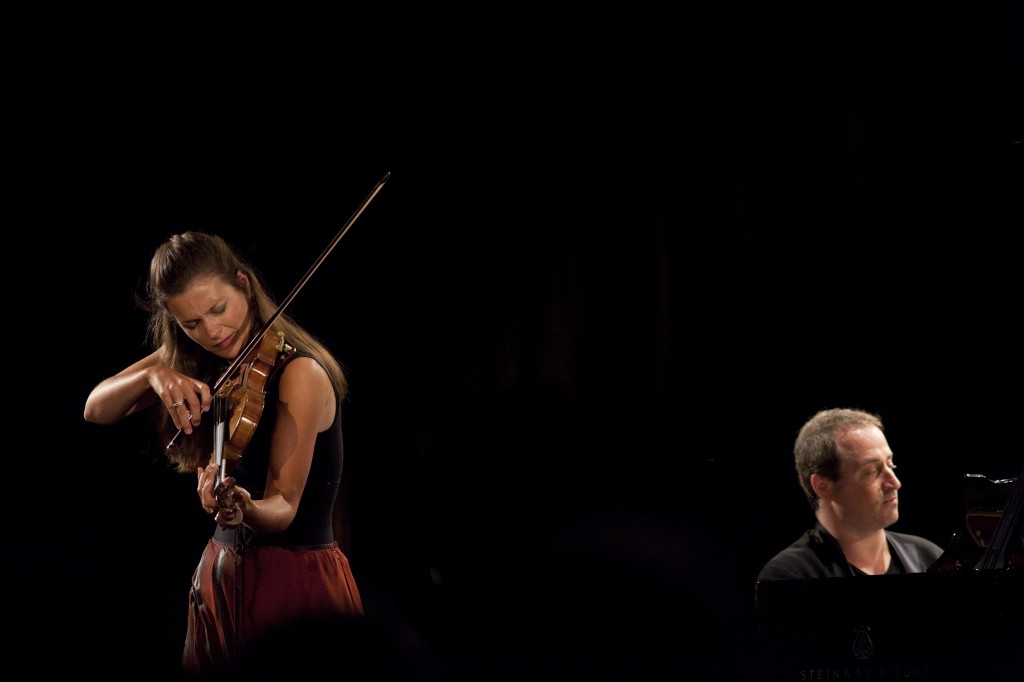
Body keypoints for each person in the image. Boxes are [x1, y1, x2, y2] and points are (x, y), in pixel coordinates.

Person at [83, 231, 364, 678]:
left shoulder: (300, 373)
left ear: (244, 284)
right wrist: (154, 373)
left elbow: (285, 507)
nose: (212, 332)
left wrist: (245, 508)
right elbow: (95, 408)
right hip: (220, 577)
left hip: (293, 582)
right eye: (191, 324)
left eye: (218, 309)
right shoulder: (196, 356)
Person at [757, 408, 943, 581]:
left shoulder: (928, 558)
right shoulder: (792, 576)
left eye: (890, 464)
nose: (895, 482)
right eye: (872, 471)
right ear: (823, 486)